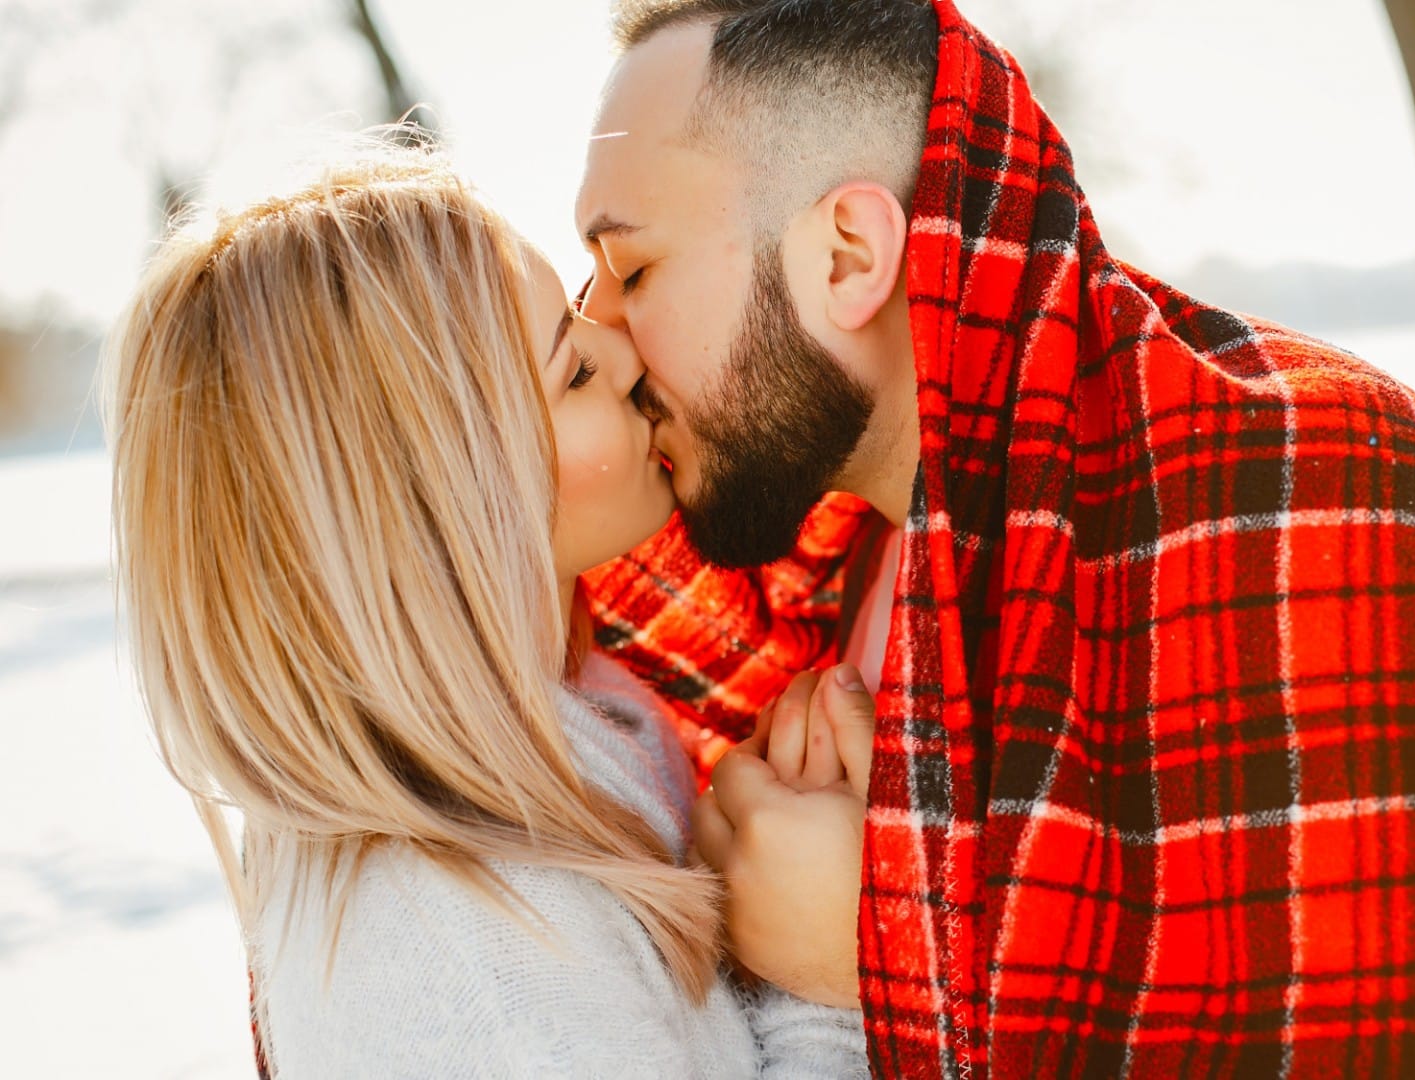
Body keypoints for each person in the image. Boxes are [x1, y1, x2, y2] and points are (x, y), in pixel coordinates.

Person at [575, 1, 1415, 1076]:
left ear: (848, 255)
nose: (601, 337)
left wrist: (865, 968)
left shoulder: (1320, 501)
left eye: (631, 272)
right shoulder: (813, 568)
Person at [104, 147, 871, 1078]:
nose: (624, 349)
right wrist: (824, 983)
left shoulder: (571, 714)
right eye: (573, 373)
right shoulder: (466, 963)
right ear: (443, 505)